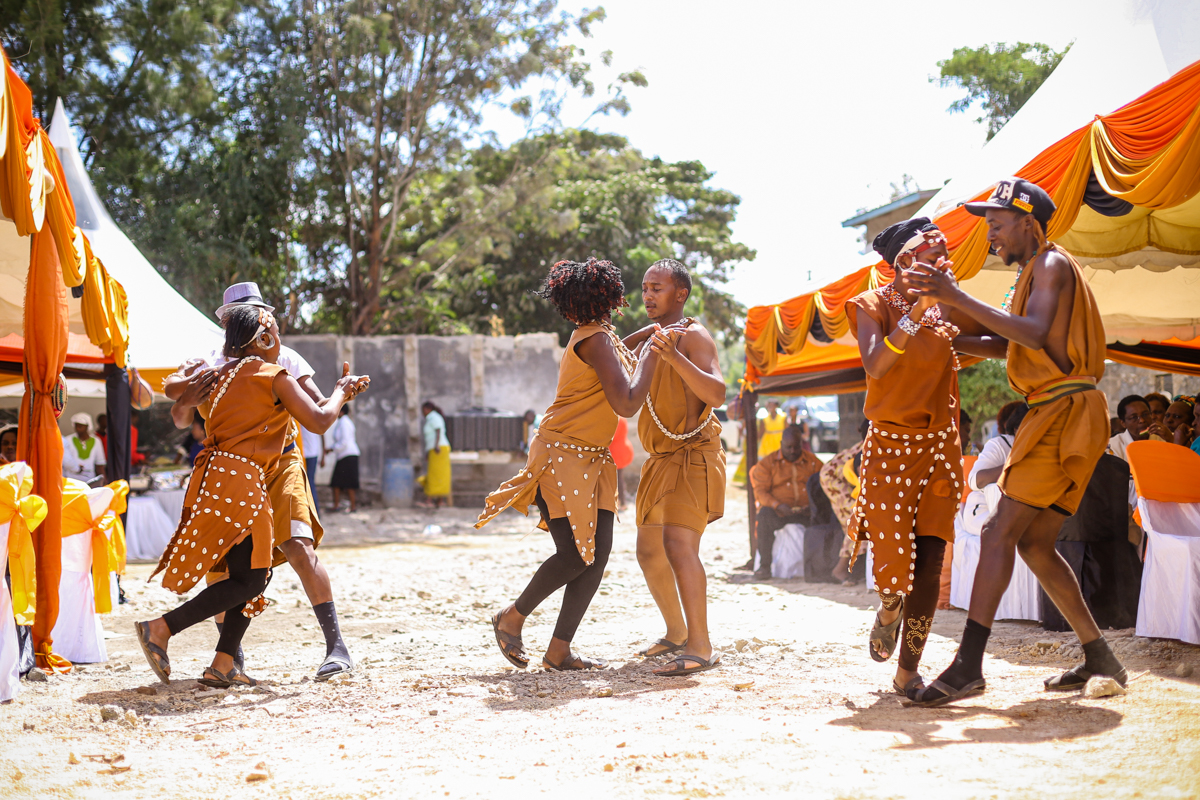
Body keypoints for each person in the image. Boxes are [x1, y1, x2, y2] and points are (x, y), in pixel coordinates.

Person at [905, 177, 1126, 706]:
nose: (992, 236)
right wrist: (950, 336)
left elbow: (1032, 333)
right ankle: (1100, 656)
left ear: (1028, 221)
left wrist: (955, 297)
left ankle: (968, 667)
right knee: (1032, 542)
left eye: (997, 225)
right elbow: (1010, 341)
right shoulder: (1034, 272)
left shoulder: (1050, 264)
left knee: (1000, 532)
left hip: (1061, 409)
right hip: (1058, 409)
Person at [137, 306, 367, 687]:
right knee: (251, 578)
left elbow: (179, 409)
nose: (279, 336)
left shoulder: (217, 375)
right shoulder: (274, 374)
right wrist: (341, 392)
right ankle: (162, 628)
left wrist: (184, 388)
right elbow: (320, 420)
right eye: (274, 328)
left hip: (214, 476)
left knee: (249, 571)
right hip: (248, 481)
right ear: (263, 337)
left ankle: (224, 663)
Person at [476, 257, 668, 672]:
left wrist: (645, 337)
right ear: (609, 296)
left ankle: (559, 650)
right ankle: (511, 617)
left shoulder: (601, 336)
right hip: (562, 456)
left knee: (595, 555)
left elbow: (619, 353)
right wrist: (655, 352)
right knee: (575, 554)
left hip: (591, 459)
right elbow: (627, 402)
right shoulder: (594, 338)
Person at [845, 217, 966, 698]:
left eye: (942, 257)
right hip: (892, 449)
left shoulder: (944, 308)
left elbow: (977, 340)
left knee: (932, 561)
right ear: (903, 261)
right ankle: (889, 606)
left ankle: (907, 672)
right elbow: (875, 364)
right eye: (931, 257)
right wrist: (920, 310)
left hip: (939, 446)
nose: (941, 264)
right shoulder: (870, 305)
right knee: (896, 570)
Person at [628, 258, 727, 676]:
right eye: (645, 288)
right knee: (649, 551)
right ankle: (676, 632)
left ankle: (701, 646)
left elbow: (718, 393)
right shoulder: (655, 337)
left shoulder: (694, 336)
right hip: (660, 459)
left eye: (657, 288)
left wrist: (675, 358)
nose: (648, 295)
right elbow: (619, 354)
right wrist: (651, 339)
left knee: (678, 547)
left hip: (693, 455)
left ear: (680, 294)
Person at [749, 425, 824, 579]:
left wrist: (813, 505)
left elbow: (823, 486)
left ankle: (821, 569)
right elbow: (760, 492)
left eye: (796, 447)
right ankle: (764, 567)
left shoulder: (813, 462)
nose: (792, 451)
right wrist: (777, 505)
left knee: (826, 515)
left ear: (801, 444)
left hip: (806, 512)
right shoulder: (767, 463)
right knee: (764, 516)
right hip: (780, 512)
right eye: (788, 447)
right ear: (781, 444)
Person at [823, 419, 870, 584]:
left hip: (846, 480)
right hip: (833, 480)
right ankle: (840, 569)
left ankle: (852, 569)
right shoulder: (869, 447)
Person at [327, 406, 360, 512]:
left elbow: (344, 443)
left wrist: (332, 449)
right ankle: (340, 505)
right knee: (338, 482)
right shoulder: (342, 422)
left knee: (343, 482)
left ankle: (348, 506)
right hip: (344, 455)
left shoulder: (344, 423)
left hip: (347, 455)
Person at [419, 401, 451, 508]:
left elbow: (438, 430)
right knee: (436, 473)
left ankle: (430, 500)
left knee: (436, 474)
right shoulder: (431, 419)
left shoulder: (434, 417)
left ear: (427, 409)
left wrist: (436, 446)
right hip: (435, 449)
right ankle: (438, 500)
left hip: (439, 448)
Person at [62, 413, 106, 480]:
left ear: (88, 426)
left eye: (81, 426)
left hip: (90, 480)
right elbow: (65, 461)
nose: (78, 428)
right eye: (76, 426)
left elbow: (99, 464)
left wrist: (103, 480)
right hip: (71, 480)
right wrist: (76, 469)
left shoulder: (96, 441)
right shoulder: (67, 440)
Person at [1107, 395, 1151, 461]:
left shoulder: (1163, 439)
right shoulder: (1113, 446)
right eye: (1134, 417)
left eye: (1145, 414)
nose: (1142, 420)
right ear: (1123, 423)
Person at [610, 416, 634, 511]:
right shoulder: (622, 419)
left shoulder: (613, 420)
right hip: (624, 448)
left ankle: (620, 502)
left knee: (617, 479)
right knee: (620, 477)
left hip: (615, 452)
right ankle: (622, 502)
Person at [300, 425, 324, 514]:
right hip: (308, 453)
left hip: (309, 454)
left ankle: (314, 511)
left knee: (309, 483)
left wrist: (323, 455)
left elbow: (322, 433)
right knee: (307, 482)